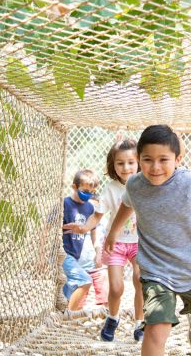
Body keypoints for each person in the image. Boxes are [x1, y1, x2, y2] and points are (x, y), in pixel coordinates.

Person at [104, 125, 191, 356]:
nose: (155, 167)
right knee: (156, 329)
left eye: (164, 159)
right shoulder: (135, 185)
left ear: (178, 159)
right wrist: (113, 232)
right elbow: (127, 205)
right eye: (147, 159)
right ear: (139, 158)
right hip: (155, 271)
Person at [67, 138, 144, 342]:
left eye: (131, 162)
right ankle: (113, 317)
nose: (126, 167)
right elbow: (98, 216)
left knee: (140, 281)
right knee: (117, 288)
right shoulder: (111, 188)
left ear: (139, 162)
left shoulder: (146, 183)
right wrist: (84, 227)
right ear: (113, 165)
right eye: (120, 163)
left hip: (140, 243)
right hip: (115, 243)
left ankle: (140, 323)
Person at [61, 169, 99, 311]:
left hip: (76, 255)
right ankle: (68, 315)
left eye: (91, 192)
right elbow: (48, 228)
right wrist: (43, 255)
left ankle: (63, 310)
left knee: (70, 286)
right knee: (84, 281)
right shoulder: (64, 203)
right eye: (84, 190)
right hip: (63, 253)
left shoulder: (89, 207)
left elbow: (93, 229)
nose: (88, 194)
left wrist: (97, 251)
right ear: (74, 187)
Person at [77, 225, 109, 309]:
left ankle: (106, 313)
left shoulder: (102, 225)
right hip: (79, 267)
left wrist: (101, 258)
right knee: (79, 300)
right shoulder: (79, 222)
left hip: (98, 268)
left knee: (105, 293)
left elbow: (106, 243)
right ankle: (77, 312)